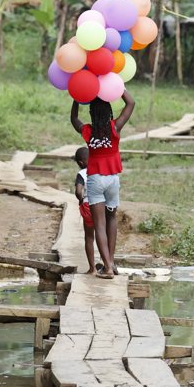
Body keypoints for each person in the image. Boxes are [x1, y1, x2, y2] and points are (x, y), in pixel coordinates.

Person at [70, 90, 135, 279]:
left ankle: (107, 267)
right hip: (113, 179)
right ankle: (111, 263)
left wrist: (78, 96)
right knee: (112, 219)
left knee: (99, 224)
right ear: (109, 113)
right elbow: (131, 104)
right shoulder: (115, 128)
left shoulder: (88, 132)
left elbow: (74, 118)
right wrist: (119, 88)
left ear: (92, 114)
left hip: (95, 180)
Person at [72, 147, 96, 274]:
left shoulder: (82, 174)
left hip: (88, 205)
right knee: (103, 234)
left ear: (80, 163)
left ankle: (92, 268)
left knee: (89, 237)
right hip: (101, 204)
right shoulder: (99, 169)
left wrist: (80, 199)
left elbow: (78, 191)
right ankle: (108, 266)